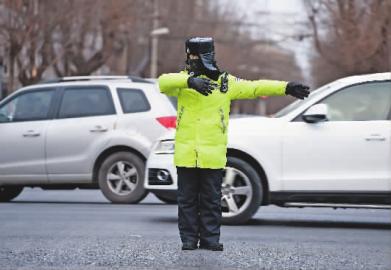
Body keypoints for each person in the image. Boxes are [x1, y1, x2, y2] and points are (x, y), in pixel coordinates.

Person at [158, 37, 309, 251]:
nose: (191, 62)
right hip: (186, 154)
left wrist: (286, 87)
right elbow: (162, 82)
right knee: (187, 201)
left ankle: (210, 239)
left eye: (195, 58)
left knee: (211, 200)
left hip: (213, 155)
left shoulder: (225, 84)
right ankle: (189, 240)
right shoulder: (183, 82)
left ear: (206, 58)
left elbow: (256, 87)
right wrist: (190, 82)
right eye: (189, 57)